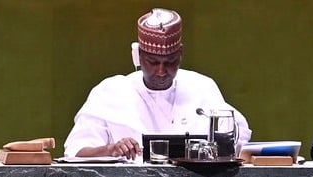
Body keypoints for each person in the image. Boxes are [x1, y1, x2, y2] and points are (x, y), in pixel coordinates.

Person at [64, 8, 252, 160]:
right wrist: (111, 149)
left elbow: (235, 140)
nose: (161, 71)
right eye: (153, 62)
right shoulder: (110, 92)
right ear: (138, 56)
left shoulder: (201, 88)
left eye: (170, 62)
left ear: (180, 56)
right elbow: (76, 152)